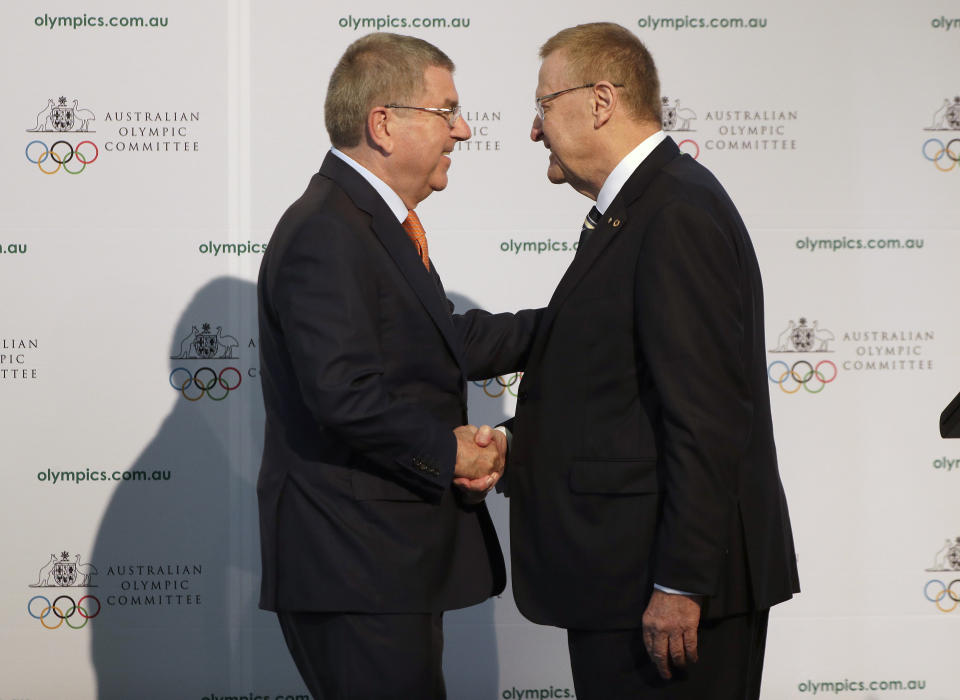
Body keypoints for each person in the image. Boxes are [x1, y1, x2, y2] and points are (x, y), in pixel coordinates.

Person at [502, 22, 800, 699]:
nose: (533, 130)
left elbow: (707, 415)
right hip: (627, 582)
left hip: (667, 598)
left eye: (544, 106)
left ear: (600, 101)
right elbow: (613, 393)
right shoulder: (643, 208)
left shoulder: (674, 213)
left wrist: (681, 582)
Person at [256, 33, 539, 699]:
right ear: (383, 123)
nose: (463, 131)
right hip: (355, 563)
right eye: (446, 112)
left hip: (381, 563)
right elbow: (342, 391)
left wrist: (571, 323)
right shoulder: (329, 228)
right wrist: (450, 453)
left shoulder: (370, 221)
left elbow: (443, 342)